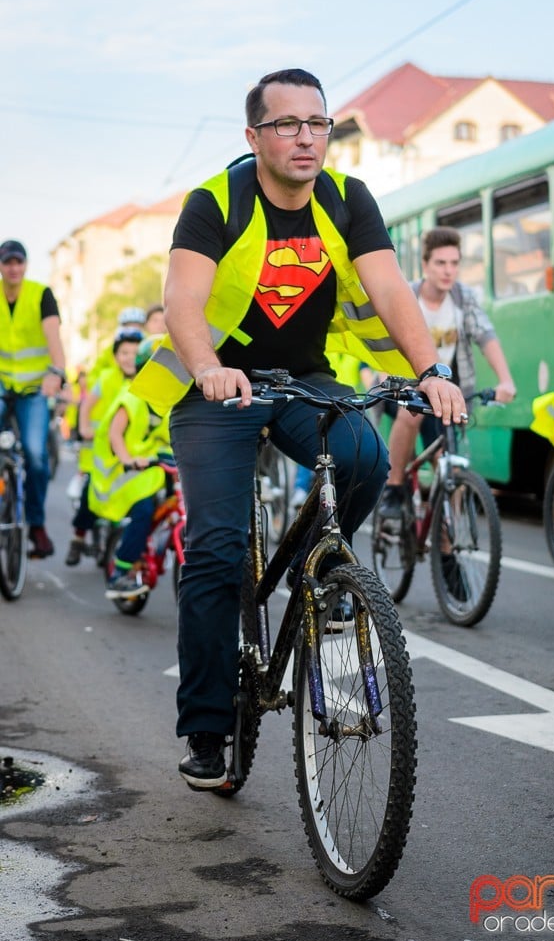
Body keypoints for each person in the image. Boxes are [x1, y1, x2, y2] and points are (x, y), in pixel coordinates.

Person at [131, 68, 465, 790]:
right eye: (288, 124)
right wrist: (208, 366)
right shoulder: (214, 201)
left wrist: (432, 370)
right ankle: (209, 725)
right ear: (254, 137)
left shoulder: (348, 200)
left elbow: (387, 286)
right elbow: (182, 297)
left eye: (319, 122)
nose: (307, 136)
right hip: (214, 386)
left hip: (301, 382)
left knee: (365, 456)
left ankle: (321, 574)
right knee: (217, 551)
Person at [379, 226, 517, 519]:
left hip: (442, 394)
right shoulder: (408, 296)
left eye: (454, 263)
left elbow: (486, 336)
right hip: (402, 388)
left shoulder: (462, 298)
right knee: (410, 412)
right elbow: (384, 341)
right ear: (425, 264)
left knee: (451, 475)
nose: (448, 271)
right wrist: (387, 378)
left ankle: (449, 554)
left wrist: (505, 379)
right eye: (440, 263)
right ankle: (393, 487)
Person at [89, 335, 170, 597]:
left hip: (152, 473)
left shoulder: (169, 403)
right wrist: (127, 460)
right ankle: (120, 572)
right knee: (144, 512)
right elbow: (115, 434)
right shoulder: (133, 397)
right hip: (122, 475)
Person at [0, 239, 66, 557]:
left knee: (36, 455)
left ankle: (37, 526)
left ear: (25, 265)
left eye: (18, 262)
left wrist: (56, 372)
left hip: (34, 389)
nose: (13, 268)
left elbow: (54, 337)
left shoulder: (41, 294)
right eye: (7, 262)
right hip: (1, 384)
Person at [65, 328, 144, 566]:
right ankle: (78, 538)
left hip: (132, 452)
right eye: (124, 352)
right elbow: (87, 405)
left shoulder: (147, 379)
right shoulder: (107, 378)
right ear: (115, 356)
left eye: (135, 352)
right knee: (92, 494)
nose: (129, 357)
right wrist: (84, 428)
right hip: (102, 452)